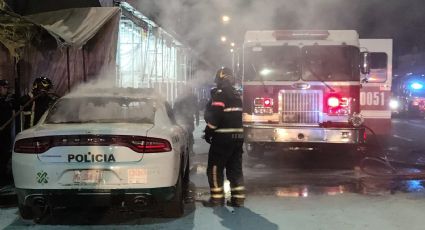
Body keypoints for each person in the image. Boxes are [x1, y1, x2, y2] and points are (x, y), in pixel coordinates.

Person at [203, 67, 245, 207]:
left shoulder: (220, 95)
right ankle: (238, 199)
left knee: (215, 169)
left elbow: (215, 117)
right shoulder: (236, 95)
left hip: (222, 139)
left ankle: (217, 199)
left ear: (220, 79)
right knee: (235, 170)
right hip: (237, 138)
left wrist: (208, 131)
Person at [173, 88, 200, 155]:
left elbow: (196, 109)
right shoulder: (182, 98)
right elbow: (175, 109)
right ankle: (187, 150)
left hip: (188, 119)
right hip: (182, 119)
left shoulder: (193, 98)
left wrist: (197, 119)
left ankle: (190, 150)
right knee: (185, 134)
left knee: (189, 134)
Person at [0, 79, 15, 185]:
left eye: (7, 88)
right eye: (4, 88)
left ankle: (3, 178)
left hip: (5, 133)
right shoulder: (3, 102)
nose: (6, 90)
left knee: (5, 155)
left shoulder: (7, 100)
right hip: (1, 133)